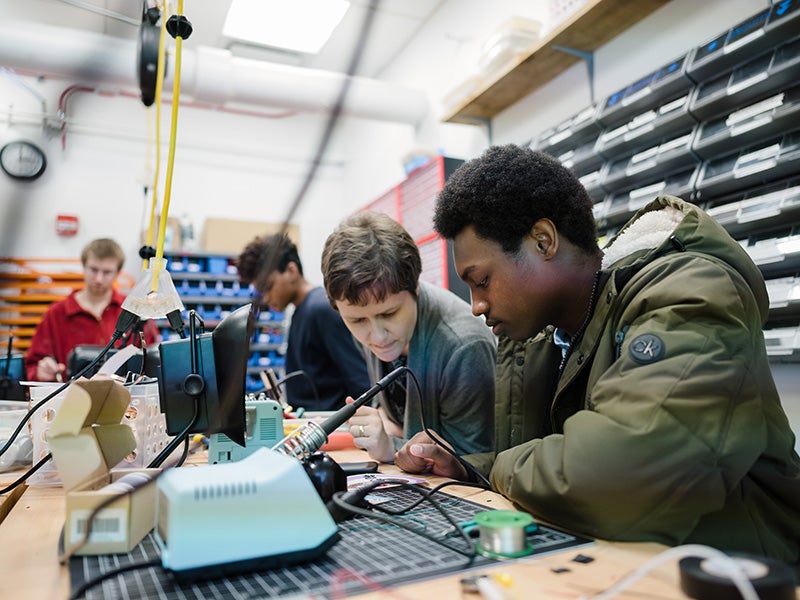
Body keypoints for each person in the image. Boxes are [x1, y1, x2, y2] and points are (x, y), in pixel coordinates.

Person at [394, 144, 800, 566]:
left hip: (745, 573)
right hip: (629, 564)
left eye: (482, 281)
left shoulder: (688, 292)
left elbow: (623, 474)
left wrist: (497, 468)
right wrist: (465, 466)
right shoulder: (540, 338)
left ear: (543, 241)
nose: (476, 305)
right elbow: (553, 460)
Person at [321, 211, 496, 463]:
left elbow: (474, 465)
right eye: (357, 320)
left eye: (390, 313)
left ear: (415, 287)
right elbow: (396, 418)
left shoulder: (464, 347)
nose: (377, 336)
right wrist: (382, 427)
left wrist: (389, 446)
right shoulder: (373, 319)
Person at [237, 232, 370, 412]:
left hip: (330, 429)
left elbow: (361, 381)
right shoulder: (301, 311)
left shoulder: (321, 309)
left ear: (291, 270)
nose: (266, 298)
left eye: (268, 287)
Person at [25, 238, 160, 381]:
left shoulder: (135, 310)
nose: (99, 279)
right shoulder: (56, 314)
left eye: (107, 272)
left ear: (117, 272)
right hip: (68, 399)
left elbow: (154, 361)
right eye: (94, 270)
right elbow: (31, 367)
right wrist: (41, 371)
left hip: (125, 400)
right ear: (84, 266)